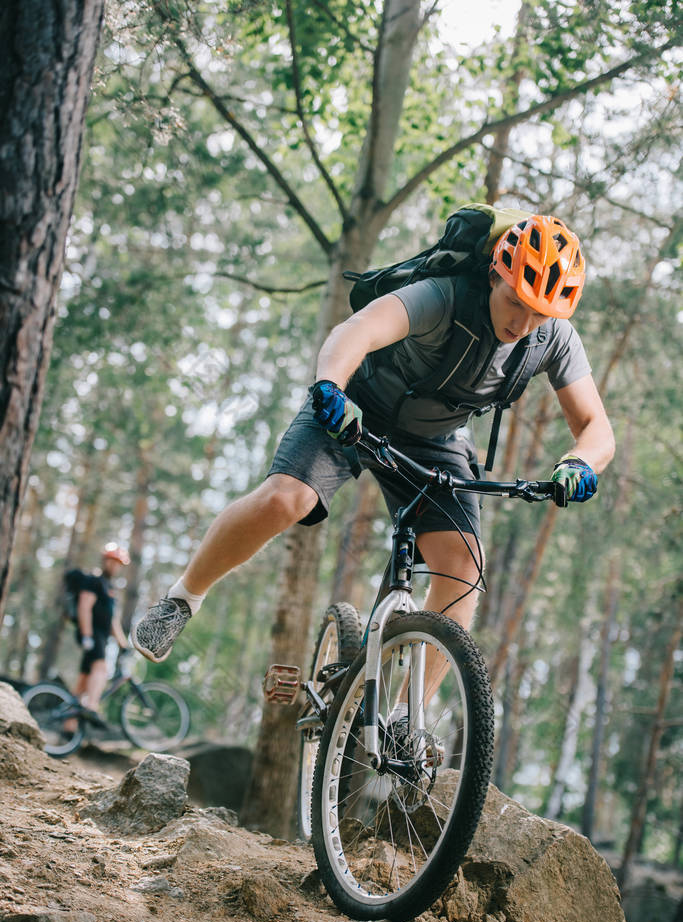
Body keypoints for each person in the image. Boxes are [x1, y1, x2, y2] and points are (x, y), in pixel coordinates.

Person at [131, 214, 615, 673]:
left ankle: (408, 717)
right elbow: (356, 330)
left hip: (435, 440)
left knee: (464, 566)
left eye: (541, 314)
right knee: (287, 499)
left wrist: (580, 462)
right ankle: (182, 598)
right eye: (516, 302)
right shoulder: (441, 297)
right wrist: (331, 388)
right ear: (494, 275)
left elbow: (595, 426)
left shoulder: (553, 339)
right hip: (356, 408)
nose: (524, 324)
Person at [72, 542, 131, 723]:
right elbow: (84, 607)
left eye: (118, 564)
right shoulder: (94, 581)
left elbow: (111, 620)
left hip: (101, 637)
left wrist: (123, 643)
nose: (114, 566)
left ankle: (69, 728)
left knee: (83, 681)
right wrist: (88, 635)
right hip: (92, 634)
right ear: (104, 561)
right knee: (101, 668)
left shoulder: (110, 588)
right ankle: (91, 706)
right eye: (112, 561)